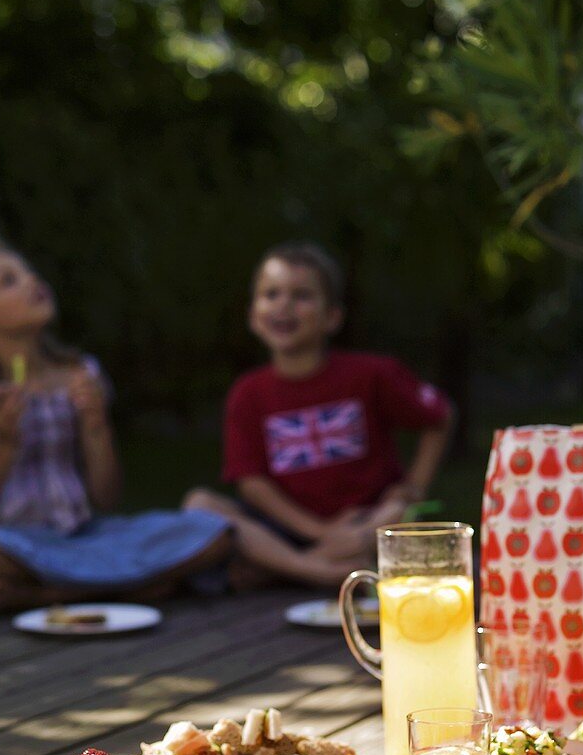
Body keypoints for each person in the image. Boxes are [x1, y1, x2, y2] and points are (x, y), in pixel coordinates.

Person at [0, 234, 231, 613]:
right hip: (12, 543)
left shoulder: (80, 375)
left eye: (29, 272)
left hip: (83, 539)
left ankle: (48, 595)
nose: (32, 281)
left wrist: (97, 429)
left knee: (215, 534)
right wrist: (4, 445)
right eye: (9, 281)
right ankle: (126, 587)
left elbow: (106, 498)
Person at [184, 242, 454, 585]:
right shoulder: (247, 393)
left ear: (332, 317)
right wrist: (320, 532)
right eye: (271, 294)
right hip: (287, 528)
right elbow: (251, 484)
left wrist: (411, 490)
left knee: (393, 517)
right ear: (253, 314)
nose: (284, 305)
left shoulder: (372, 374)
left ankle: (278, 568)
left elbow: (440, 416)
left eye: (301, 296)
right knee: (200, 504)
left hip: (364, 522)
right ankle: (315, 569)